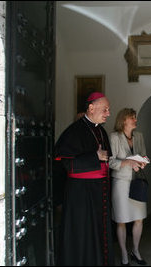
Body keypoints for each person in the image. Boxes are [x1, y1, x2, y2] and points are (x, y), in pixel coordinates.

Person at [54, 92, 115, 265]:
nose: (108, 113)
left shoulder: (101, 131)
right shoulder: (74, 131)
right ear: (91, 107)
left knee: (99, 234)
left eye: (108, 110)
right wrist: (94, 157)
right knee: (83, 236)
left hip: (99, 194)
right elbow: (64, 163)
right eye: (105, 109)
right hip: (81, 196)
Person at [109, 108, 148, 266]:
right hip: (121, 183)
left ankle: (135, 251)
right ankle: (124, 254)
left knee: (139, 219)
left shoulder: (139, 136)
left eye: (135, 117)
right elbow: (111, 162)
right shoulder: (114, 137)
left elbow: (144, 154)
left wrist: (143, 162)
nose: (135, 120)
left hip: (137, 182)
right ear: (123, 120)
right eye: (132, 117)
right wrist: (128, 162)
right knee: (121, 220)